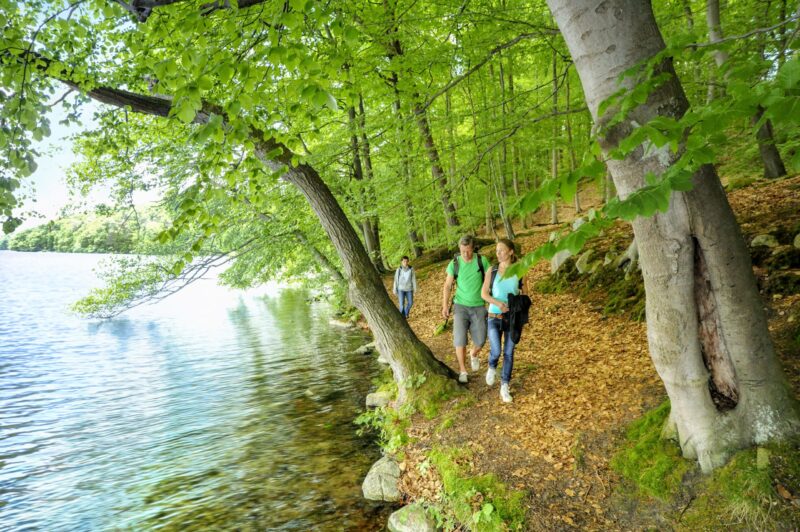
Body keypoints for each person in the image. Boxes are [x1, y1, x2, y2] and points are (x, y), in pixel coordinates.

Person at [481, 238, 524, 403]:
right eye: (496, 250)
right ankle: (492, 365)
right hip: (493, 317)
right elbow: (484, 294)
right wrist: (498, 303)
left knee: (508, 353)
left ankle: (505, 386)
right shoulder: (492, 271)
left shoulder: (520, 270)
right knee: (497, 351)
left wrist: (517, 306)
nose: (497, 253)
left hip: (512, 319)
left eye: (501, 250)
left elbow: (525, 295)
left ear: (511, 252)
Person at [442, 235, 490, 383]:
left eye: (468, 250)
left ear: (473, 248)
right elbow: (448, 285)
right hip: (460, 306)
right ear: (459, 249)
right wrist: (445, 305)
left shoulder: (482, 261)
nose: (466, 254)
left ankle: (474, 354)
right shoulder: (454, 263)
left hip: (479, 305)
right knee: (459, 340)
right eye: (463, 251)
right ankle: (463, 370)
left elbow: (490, 279)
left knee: (481, 339)